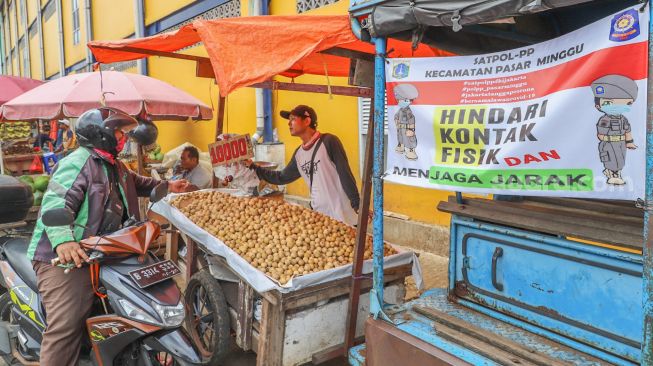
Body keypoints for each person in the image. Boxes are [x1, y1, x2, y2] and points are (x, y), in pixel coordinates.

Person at [27, 107, 189, 366]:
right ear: (99, 134)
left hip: (105, 251)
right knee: (66, 325)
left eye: (123, 132)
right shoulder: (77, 163)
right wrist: (64, 240)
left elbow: (137, 182)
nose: (124, 138)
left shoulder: (115, 165)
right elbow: (55, 202)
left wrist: (167, 186)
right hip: (65, 258)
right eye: (118, 132)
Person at [246, 105, 360, 226]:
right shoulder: (299, 154)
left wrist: (357, 204)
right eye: (289, 120)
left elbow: (345, 173)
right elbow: (282, 177)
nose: (289, 123)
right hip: (321, 216)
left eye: (293, 119)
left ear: (307, 120)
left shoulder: (329, 141)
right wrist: (254, 167)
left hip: (344, 215)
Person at [590, 75, 638, 185]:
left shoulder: (623, 119)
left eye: (626, 103)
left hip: (621, 143)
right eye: (608, 103)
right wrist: (608, 138)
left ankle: (617, 174)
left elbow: (627, 130)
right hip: (609, 143)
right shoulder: (605, 120)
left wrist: (629, 142)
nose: (617, 106)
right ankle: (612, 175)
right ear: (598, 106)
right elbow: (600, 134)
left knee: (620, 159)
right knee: (611, 159)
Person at [393, 83, 420, 160]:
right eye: (398, 100)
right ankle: (400, 146)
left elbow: (411, 120)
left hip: (407, 128)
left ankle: (411, 151)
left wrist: (411, 130)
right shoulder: (400, 110)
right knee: (400, 137)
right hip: (400, 128)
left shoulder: (408, 112)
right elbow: (396, 116)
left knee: (409, 139)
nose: (399, 102)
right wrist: (396, 122)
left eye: (403, 100)